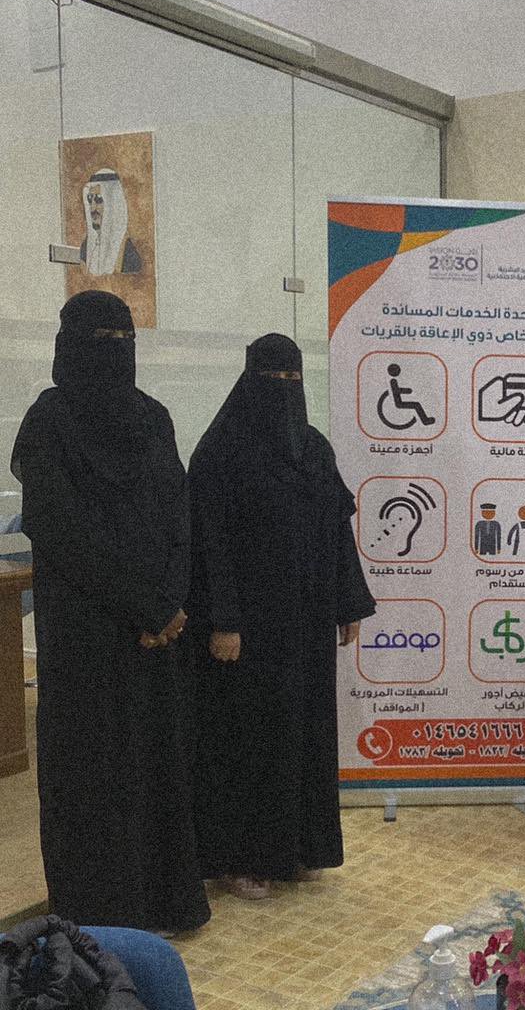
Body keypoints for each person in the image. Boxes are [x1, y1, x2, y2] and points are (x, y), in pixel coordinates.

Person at [10, 291, 209, 934]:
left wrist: (167, 604)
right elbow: (63, 531)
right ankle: (106, 911)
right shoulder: (51, 422)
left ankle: (154, 903)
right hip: (94, 635)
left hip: (144, 632)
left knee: (148, 766)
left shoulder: (149, 418)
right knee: (95, 771)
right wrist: (151, 607)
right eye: (103, 341)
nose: (115, 353)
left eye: (124, 339)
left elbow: (178, 517)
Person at [187, 334, 376, 899]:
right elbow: (208, 546)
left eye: (294, 379)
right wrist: (224, 620)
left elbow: (336, 531)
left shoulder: (313, 448)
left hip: (307, 622)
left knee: (305, 733)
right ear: (250, 381)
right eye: (275, 379)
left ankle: (297, 849)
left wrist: (347, 604)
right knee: (250, 739)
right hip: (249, 629)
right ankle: (242, 860)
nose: (285, 390)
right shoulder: (219, 453)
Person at [79, 169, 142, 275]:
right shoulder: (85, 247)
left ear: (113, 205)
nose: (92, 208)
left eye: (99, 200)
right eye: (90, 200)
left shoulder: (127, 250)